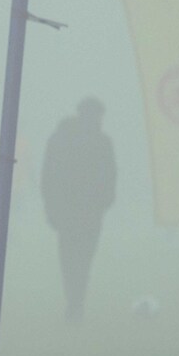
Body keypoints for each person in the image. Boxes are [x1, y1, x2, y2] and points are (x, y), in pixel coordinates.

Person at [40, 97, 115, 323]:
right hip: (86, 212)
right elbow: (110, 177)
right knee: (82, 260)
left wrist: (51, 207)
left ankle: (74, 302)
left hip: (70, 212)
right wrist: (104, 202)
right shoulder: (101, 142)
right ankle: (76, 302)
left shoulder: (59, 139)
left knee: (70, 259)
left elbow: (47, 176)